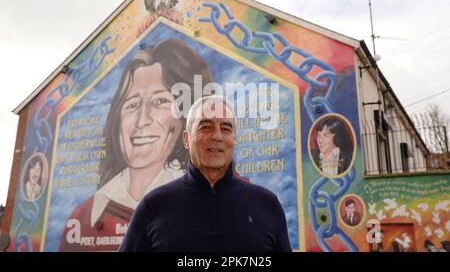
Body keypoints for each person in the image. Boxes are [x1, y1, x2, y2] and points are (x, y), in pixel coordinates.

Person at [59, 38, 215, 251]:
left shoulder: (220, 199)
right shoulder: (83, 217)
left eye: (160, 102)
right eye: (132, 104)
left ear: (186, 118)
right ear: (117, 119)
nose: (142, 120)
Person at [119, 96, 292, 252]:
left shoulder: (266, 204)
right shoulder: (154, 206)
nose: (217, 136)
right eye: (206, 127)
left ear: (235, 139)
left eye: (226, 128)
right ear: (186, 139)